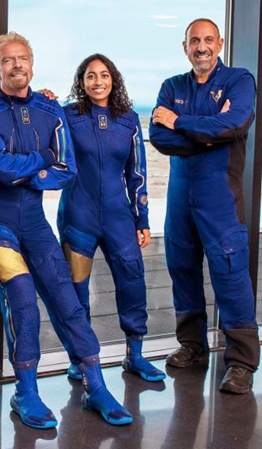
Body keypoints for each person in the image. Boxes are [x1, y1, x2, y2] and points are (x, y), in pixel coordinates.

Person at [0, 32, 132, 428]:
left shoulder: (50, 109)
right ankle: (25, 391)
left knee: (67, 299)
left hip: (34, 223)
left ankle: (96, 386)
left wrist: (25, 170)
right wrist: (41, 160)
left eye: (23, 57)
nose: (17, 65)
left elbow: (67, 168)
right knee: (22, 299)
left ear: (32, 63)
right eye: (8, 60)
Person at [150, 18, 259, 394]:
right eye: (194, 40)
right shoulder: (172, 85)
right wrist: (210, 132)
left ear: (221, 43)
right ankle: (193, 347)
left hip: (220, 200)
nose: (201, 46)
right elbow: (159, 137)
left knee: (230, 273)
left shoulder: (239, 80)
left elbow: (235, 123)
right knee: (182, 268)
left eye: (208, 40)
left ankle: (242, 363)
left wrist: (180, 121)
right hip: (181, 199)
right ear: (185, 47)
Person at [53, 54, 165, 383]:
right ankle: (80, 358)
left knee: (132, 283)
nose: (98, 81)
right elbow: (47, 134)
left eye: (104, 75)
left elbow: (138, 173)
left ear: (113, 80)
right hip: (78, 216)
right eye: (90, 76)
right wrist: (43, 98)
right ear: (81, 82)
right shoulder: (68, 114)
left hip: (119, 218)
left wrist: (141, 218)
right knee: (76, 292)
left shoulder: (128, 119)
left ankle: (135, 355)